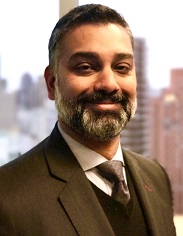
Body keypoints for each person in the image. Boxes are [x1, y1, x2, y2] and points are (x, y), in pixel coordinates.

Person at [0, 4, 176, 236]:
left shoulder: (156, 176)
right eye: (85, 67)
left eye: (122, 67)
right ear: (52, 83)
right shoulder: (7, 195)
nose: (109, 84)